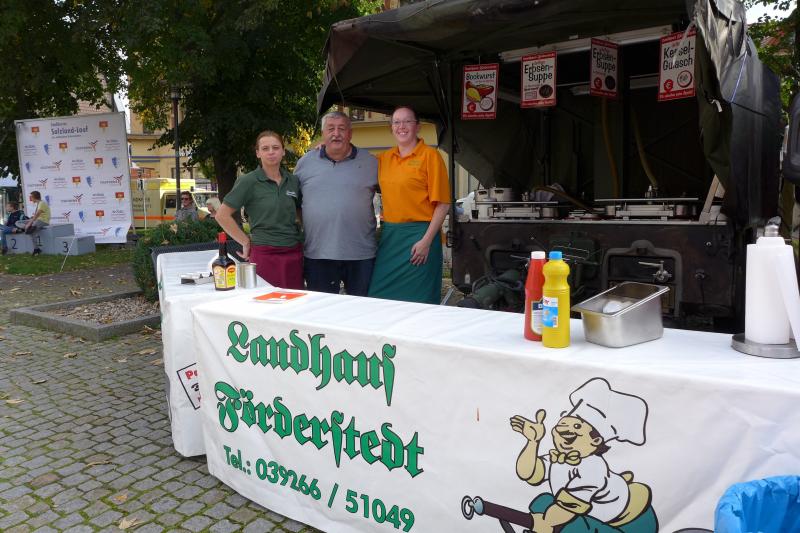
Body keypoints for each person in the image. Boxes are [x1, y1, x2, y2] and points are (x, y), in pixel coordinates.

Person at [368, 106, 451, 304]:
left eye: (407, 121)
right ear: (391, 127)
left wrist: (426, 242)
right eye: (396, 122)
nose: (401, 126)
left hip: (421, 238)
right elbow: (352, 160)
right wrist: (328, 148)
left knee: (419, 302)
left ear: (417, 126)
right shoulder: (384, 159)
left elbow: (443, 204)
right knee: (378, 297)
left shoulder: (430, 156)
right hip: (391, 237)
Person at [294, 111, 378, 296]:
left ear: (350, 133)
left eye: (342, 128)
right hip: (318, 252)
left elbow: (393, 192)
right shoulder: (305, 163)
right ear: (323, 134)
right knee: (321, 309)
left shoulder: (371, 163)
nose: (336, 134)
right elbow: (295, 202)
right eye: (330, 129)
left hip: (361, 253)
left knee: (363, 308)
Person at [215, 131, 304, 289]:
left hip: (293, 252)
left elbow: (298, 212)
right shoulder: (248, 181)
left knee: (295, 300)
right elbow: (222, 215)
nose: (271, 152)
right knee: (267, 300)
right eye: (265, 148)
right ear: (258, 153)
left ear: (283, 151)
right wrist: (244, 241)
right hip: (265, 253)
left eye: (275, 147)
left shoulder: (293, 181)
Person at [16, 191, 50, 255]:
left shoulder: (42, 203)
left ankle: (36, 249)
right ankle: (26, 228)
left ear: (34, 197)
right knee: (18, 222)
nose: (30, 199)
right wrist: (30, 222)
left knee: (30, 231)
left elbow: (37, 214)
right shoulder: (39, 203)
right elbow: (37, 216)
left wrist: (29, 223)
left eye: (31, 197)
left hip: (43, 221)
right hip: (37, 220)